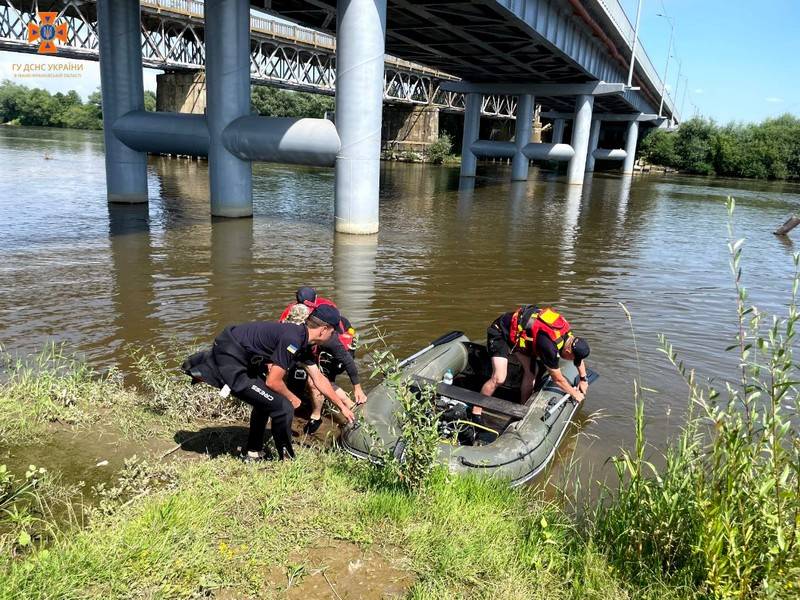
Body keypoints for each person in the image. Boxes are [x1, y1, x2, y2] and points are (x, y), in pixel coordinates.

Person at [182, 304, 355, 461]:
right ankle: (286, 459)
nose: (333, 336)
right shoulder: (292, 339)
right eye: (333, 332)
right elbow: (273, 381)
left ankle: (253, 452)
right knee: (283, 407)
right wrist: (292, 397)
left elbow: (319, 379)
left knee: (267, 402)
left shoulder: (301, 340)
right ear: (323, 329)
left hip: (242, 358)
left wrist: (342, 407)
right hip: (231, 360)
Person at [474, 305, 590, 427]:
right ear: (568, 351)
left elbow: (578, 359)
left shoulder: (568, 336)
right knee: (499, 378)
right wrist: (574, 393)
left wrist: (583, 378)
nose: (573, 361)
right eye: (573, 358)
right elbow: (558, 379)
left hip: (519, 338)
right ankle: (476, 409)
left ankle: (522, 410)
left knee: (531, 374)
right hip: (501, 333)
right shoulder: (549, 347)